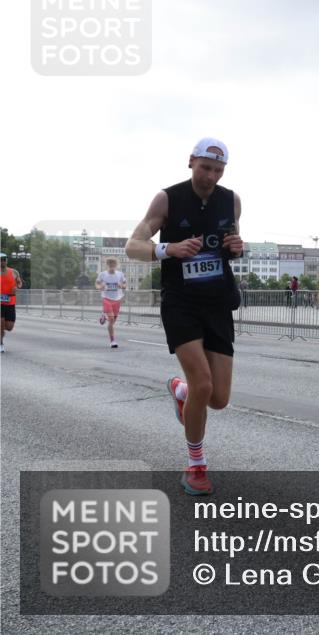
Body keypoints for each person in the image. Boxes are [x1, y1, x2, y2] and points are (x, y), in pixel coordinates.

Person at [125, 137, 244, 496]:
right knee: (203, 384)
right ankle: (196, 465)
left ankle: (181, 392)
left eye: (218, 170)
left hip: (218, 302)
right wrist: (169, 249)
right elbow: (133, 246)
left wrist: (237, 247)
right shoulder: (168, 199)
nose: (210, 176)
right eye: (205, 168)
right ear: (191, 161)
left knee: (218, 399)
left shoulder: (231, 200)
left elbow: (232, 245)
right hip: (181, 303)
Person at [96, 257, 128, 348]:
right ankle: (112, 341)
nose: (112, 266)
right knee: (111, 319)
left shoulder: (120, 274)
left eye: (113, 264)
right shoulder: (102, 274)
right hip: (106, 299)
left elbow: (125, 285)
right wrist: (100, 287)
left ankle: (104, 316)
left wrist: (121, 286)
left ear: (116, 265)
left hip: (117, 299)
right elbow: (97, 284)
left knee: (113, 321)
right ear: (107, 265)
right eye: (110, 264)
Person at [0, 253, 23, 354]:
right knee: (1, 322)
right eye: (0, 260)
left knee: (9, 327)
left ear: (6, 261)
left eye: (4, 259)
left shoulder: (14, 272)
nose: (2, 261)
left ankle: (1, 329)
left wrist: (17, 287)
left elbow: (19, 282)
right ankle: (1, 344)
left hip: (10, 302)